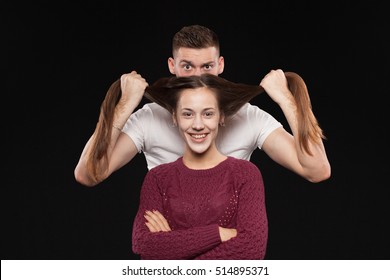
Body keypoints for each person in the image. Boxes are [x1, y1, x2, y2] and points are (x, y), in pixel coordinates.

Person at [74, 24, 330, 188]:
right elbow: (88, 174)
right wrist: (126, 104)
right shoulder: (148, 118)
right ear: (172, 67)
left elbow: (317, 171)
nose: (198, 78)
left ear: (220, 66)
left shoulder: (249, 117)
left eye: (206, 67)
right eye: (187, 67)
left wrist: (286, 99)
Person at [132, 73, 269, 259]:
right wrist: (218, 234)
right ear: (175, 117)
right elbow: (144, 246)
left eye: (208, 114)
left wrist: (172, 249)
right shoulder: (158, 178)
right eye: (187, 114)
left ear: (221, 116)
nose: (198, 125)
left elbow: (252, 249)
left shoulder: (245, 174)